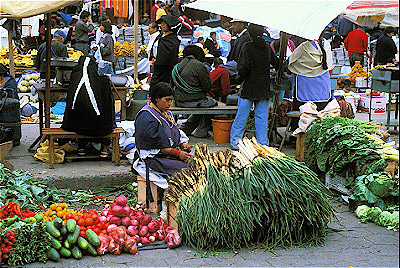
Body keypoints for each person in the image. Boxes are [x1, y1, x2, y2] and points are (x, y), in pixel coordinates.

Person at [133, 82, 192, 190]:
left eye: (171, 100)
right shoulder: (147, 117)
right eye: (167, 100)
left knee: (197, 163)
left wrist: (183, 144)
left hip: (167, 155)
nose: (170, 103)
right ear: (157, 99)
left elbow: (175, 130)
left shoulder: (166, 113)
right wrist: (177, 153)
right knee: (188, 169)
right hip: (153, 159)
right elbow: (154, 146)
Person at [230, 24, 279, 149]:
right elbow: (277, 64)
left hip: (248, 87)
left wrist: (238, 79)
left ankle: (236, 142)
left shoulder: (247, 46)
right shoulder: (267, 47)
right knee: (261, 117)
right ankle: (263, 144)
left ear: (250, 34)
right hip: (263, 87)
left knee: (242, 115)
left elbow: (243, 67)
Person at [171, 45, 216, 138]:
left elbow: (172, 84)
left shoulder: (177, 66)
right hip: (193, 101)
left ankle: (186, 128)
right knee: (212, 103)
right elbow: (207, 87)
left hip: (178, 100)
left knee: (201, 105)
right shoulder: (199, 66)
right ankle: (201, 131)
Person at [288, 32, 334, 113]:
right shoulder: (326, 44)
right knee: (322, 113)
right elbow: (329, 64)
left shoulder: (304, 46)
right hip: (322, 83)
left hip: (305, 82)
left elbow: (291, 61)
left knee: (303, 113)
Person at [149, 15, 180, 87]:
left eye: (165, 23)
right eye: (162, 23)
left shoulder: (172, 40)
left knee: (161, 85)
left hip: (165, 68)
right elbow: (154, 47)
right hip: (157, 66)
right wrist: (152, 56)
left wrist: (158, 60)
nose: (162, 25)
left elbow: (167, 54)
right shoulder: (160, 36)